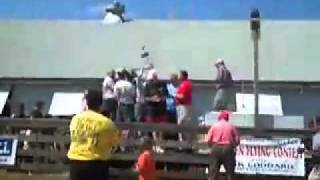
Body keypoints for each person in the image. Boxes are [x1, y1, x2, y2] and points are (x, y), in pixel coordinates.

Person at [68, 89, 121, 180]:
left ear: (86, 102)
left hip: (76, 162)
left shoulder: (75, 119)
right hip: (97, 163)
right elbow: (115, 144)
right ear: (101, 104)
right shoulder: (106, 123)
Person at [206, 111, 240, 180]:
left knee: (213, 170)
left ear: (219, 117)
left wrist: (211, 146)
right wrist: (234, 146)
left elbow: (208, 139)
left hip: (216, 147)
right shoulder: (231, 126)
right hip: (228, 148)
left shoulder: (214, 126)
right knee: (229, 171)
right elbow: (237, 139)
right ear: (227, 118)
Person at [175, 70, 192, 142]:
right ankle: (182, 143)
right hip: (180, 106)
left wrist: (175, 95)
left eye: (179, 75)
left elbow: (182, 96)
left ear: (183, 76)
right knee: (180, 124)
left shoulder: (186, 84)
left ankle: (186, 143)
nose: (178, 76)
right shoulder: (181, 84)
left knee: (183, 124)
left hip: (184, 106)